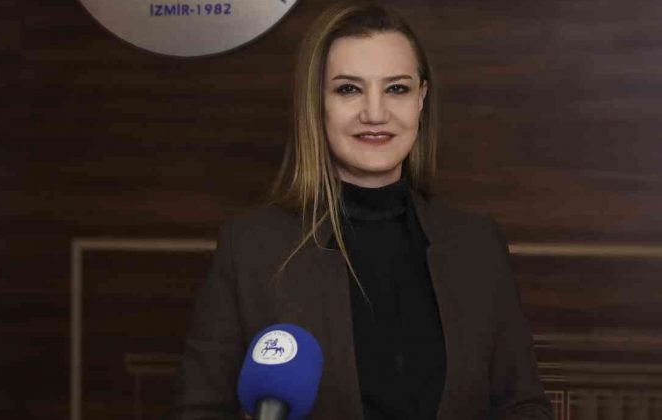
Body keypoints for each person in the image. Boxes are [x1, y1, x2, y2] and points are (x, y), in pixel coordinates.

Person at [176, 1, 554, 419]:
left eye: (397, 89)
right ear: (316, 103)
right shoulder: (251, 247)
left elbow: (522, 405)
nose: (375, 113)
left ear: (421, 99)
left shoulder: (476, 243)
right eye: (348, 89)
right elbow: (200, 410)